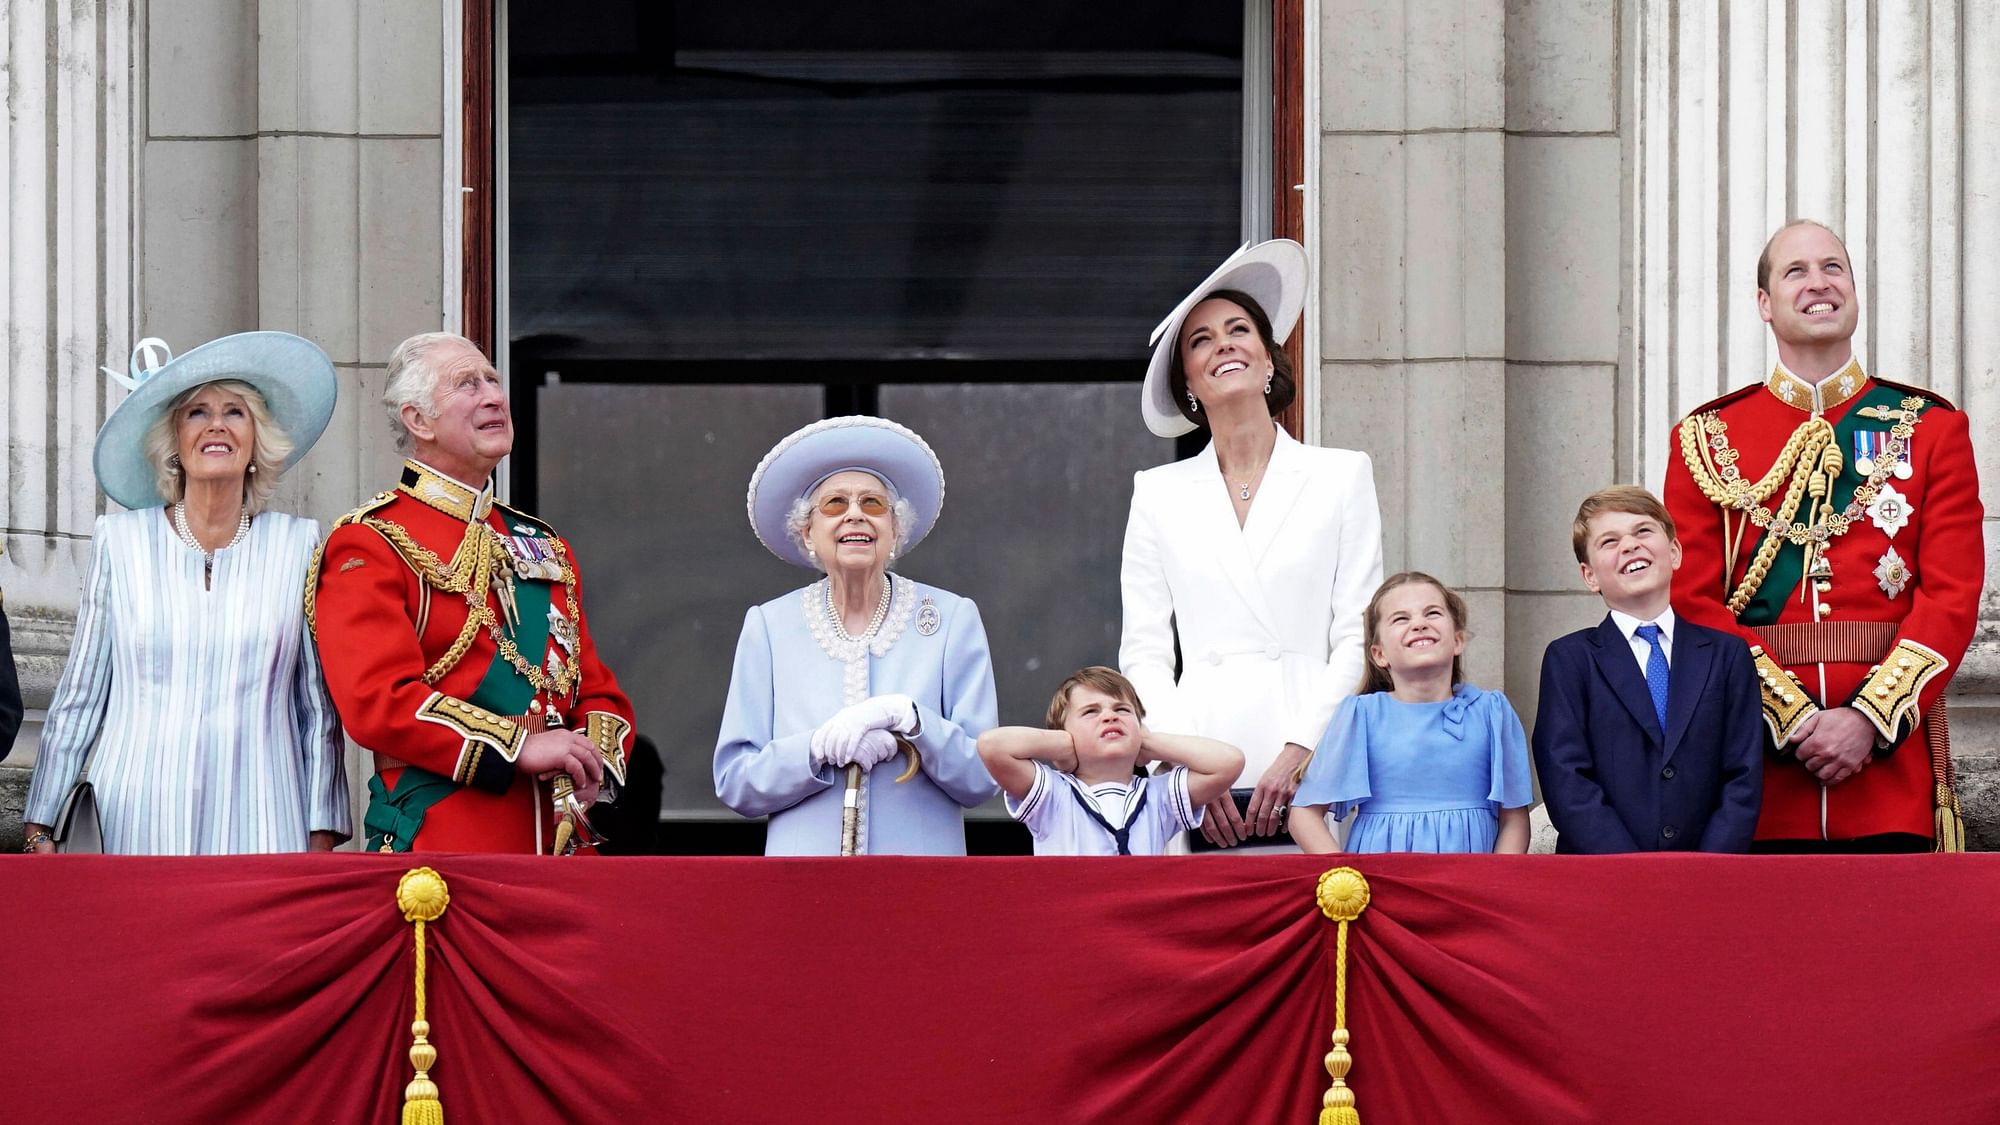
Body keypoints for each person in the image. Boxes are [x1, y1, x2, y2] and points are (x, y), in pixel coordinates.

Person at [1662, 220, 1984, 852]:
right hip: (1755, 773)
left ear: (1855, 292)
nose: (1819, 283)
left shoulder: (1931, 428)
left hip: (1888, 774)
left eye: (1834, 268)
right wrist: (1794, 718)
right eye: (1796, 271)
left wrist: (1868, 718)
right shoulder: (1707, 438)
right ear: (1765, 304)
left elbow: (1952, 596)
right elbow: (1690, 598)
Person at [23, 333, 349, 854]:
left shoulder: (299, 545)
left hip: (265, 822)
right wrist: (42, 824)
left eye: (234, 412)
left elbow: (316, 709)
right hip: (133, 820)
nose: (216, 424)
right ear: (173, 441)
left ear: (255, 441)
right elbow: (80, 697)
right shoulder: (120, 542)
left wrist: (320, 832)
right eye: (196, 412)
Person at [309, 332, 633, 854]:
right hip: (443, 846)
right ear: (418, 420)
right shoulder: (371, 542)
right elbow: (377, 702)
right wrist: (519, 745)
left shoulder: (541, 542)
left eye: (493, 381)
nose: (493, 396)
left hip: (562, 846)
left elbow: (597, 692)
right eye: (467, 384)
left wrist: (588, 758)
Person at [1121, 239, 1384, 851]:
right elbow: (1145, 652)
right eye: (1201, 340)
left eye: (1239, 329)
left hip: (1315, 748)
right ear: (1188, 383)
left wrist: (1303, 747)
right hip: (1203, 752)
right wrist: (1182, 769)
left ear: (1269, 361)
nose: (1224, 345)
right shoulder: (1157, 492)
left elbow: (1357, 633)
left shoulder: (1342, 474)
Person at [716, 416, 999, 855]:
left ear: (895, 531)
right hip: (802, 882)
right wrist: (813, 750)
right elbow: (735, 781)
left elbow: (982, 777)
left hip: (922, 883)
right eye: (833, 504)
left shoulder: (951, 619)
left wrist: (913, 720)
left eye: (873, 503)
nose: (854, 514)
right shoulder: (769, 626)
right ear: (808, 532)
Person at [1533, 487, 1763, 854]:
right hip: (1604, 876)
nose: (1629, 546)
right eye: (1609, 541)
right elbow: (1566, 777)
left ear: (1674, 552)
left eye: (1643, 531)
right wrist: (1632, 872)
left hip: (1708, 875)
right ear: (1589, 575)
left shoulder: (1726, 654)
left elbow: (1743, 774)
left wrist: (1708, 868)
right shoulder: (1570, 659)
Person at [1289, 573, 1533, 855]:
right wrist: (1345, 878)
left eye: (1432, 613)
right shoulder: (1361, 715)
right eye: (1401, 619)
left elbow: (1514, 818)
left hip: (1470, 884)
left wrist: (1493, 887)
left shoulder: (1492, 712)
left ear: (1458, 640)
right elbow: (1303, 815)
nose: (1419, 623)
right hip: (1383, 886)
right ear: (1379, 654)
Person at [978, 666, 1242, 856]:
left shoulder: (1157, 797)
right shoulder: (1053, 793)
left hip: (1135, 927)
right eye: (1091, 712)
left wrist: (1148, 744)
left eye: (1122, 710)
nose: (1109, 716)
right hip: (1073, 927)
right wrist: (1061, 745)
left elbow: (1228, 762)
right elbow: (991, 747)